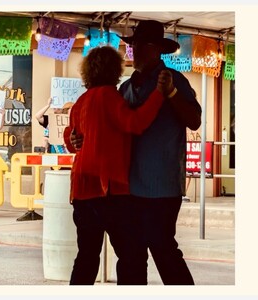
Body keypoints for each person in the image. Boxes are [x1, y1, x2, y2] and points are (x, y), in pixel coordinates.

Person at [70, 20, 201, 285]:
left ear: (156, 49)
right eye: (133, 46)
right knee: (133, 257)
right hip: (127, 190)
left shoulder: (173, 78)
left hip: (160, 185)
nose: (135, 51)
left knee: (163, 248)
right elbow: (116, 125)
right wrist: (74, 137)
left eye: (141, 45)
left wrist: (171, 93)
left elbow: (194, 120)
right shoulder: (124, 88)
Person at [64, 45, 174, 285]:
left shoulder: (81, 102)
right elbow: (135, 123)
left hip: (82, 189)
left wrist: (72, 138)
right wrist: (159, 94)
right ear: (114, 69)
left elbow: (71, 138)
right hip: (109, 189)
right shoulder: (109, 97)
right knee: (131, 255)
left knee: (87, 256)